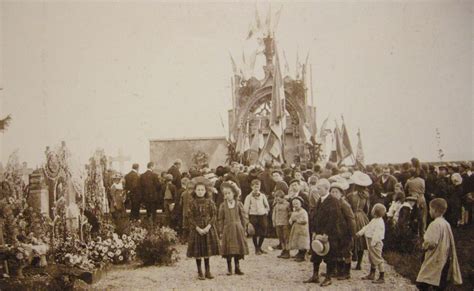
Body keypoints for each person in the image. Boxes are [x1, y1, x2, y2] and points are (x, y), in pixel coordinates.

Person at [304, 179, 346, 287]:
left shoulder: (333, 201)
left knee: (329, 256)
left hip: (330, 233)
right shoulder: (320, 200)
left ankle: (328, 277)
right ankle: (315, 275)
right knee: (316, 253)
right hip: (318, 232)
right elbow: (315, 217)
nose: (317, 190)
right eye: (317, 188)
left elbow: (334, 219)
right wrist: (314, 231)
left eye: (319, 188)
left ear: (326, 188)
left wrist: (326, 234)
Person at [416, 198, 462, 290]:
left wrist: (424, 245)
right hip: (444, 256)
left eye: (430, 209)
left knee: (422, 282)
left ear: (434, 210)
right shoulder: (446, 223)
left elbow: (431, 242)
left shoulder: (434, 224)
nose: (429, 211)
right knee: (440, 283)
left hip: (435, 257)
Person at [186, 180, 220, 280]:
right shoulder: (192, 203)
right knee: (198, 250)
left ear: (206, 191)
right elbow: (190, 217)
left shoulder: (210, 202)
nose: (200, 191)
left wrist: (208, 226)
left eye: (202, 189)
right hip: (196, 228)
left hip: (207, 227)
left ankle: (208, 271)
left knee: (206, 250)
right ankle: (200, 271)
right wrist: (197, 228)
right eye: (198, 190)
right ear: (195, 191)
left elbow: (214, 215)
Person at [218, 181, 249, 276]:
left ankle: (237, 267)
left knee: (237, 249)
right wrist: (221, 230)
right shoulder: (223, 205)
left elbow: (243, 217)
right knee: (228, 249)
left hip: (237, 228)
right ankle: (229, 268)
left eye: (229, 193)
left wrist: (244, 228)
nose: (227, 195)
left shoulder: (238, 204)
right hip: (227, 228)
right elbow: (220, 219)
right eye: (225, 193)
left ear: (234, 193)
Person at [345, 171, 371, 270]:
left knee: (351, 238)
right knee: (361, 240)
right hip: (362, 216)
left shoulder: (350, 195)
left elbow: (348, 208)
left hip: (352, 216)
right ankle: (359, 264)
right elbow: (367, 209)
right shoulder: (366, 195)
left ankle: (349, 262)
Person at [330, 181, 355, 280]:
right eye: (332, 192)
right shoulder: (331, 203)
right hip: (336, 232)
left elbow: (351, 219)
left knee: (346, 252)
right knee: (337, 251)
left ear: (341, 194)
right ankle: (339, 271)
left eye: (336, 192)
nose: (334, 194)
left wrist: (352, 233)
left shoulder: (344, 204)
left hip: (345, 232)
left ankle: (347, 272)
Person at [356, 203, 387, 284]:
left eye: (373, 210)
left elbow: (377, 235)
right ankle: (372, 274)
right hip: (370, 242)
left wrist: (373, 243)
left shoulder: (380, 222)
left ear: (376, 212)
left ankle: (382, 277)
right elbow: (367, 227)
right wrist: (360, 233)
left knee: (378, 259)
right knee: (372, 258)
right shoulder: (374, 220)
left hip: (375, 243)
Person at [243, 179, 270, 255]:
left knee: (264, 231)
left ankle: (260, 247)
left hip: (262, 215)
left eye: (258, 187)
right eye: (255, 187)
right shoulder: (249, 197)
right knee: (254, 232)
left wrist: (265, 211)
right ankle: (256, 248)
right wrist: (247, 218)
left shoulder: (262, 196)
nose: (256, 189)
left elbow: (267, 206)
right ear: (252, 187)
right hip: (253, 215)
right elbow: (246, 208)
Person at [405, 168, 427, 236]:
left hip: (412, 199)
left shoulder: (409, 181)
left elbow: (405, 188)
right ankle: (422, 231)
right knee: (423, 216)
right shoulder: (422, 180)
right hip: (421, 198)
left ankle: (414, 232)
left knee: (413, 216)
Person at [288, 196, 310, 262]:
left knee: (302, 242)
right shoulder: (294, 212)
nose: (295, 205)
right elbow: (292, 218)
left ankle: (302, 255)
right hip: (296, 229)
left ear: (301, 204)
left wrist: (297, 220)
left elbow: (305, 220)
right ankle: (299, 253)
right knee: (297, 241)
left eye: (297, 204)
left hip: (302, 229)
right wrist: (291, 220)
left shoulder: (303, 212)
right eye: (294, 204)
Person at [272, 190, 291, 259]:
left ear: (282, 197)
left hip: (285, 223)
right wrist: (274, 221)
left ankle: (287, 251)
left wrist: (290, 221)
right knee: (280, 238)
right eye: (276, 199)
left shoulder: (287, 204)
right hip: (278, 223)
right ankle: (283, 250)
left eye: (278, 199)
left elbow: (290, 213)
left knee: (286, 238)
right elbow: (274, 214)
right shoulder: (276, 205)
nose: (277, 200)